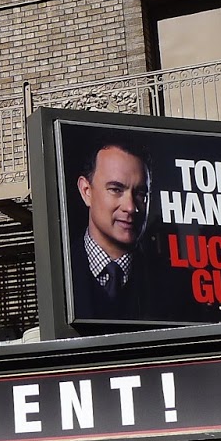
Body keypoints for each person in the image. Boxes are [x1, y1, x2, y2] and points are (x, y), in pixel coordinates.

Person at [68, 134, 152, 320]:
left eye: (140, 194)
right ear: (86, 191)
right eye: (116, 189)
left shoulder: (172, 283)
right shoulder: (58, 274)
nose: (130, 207)